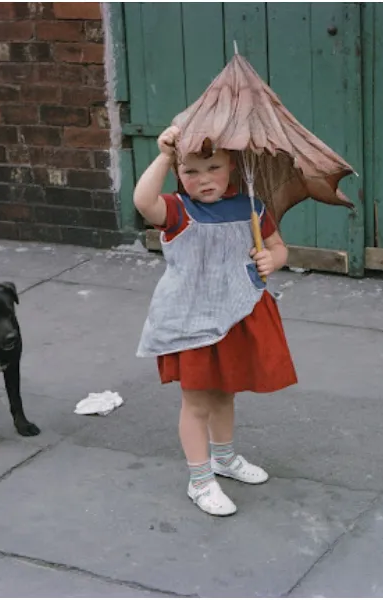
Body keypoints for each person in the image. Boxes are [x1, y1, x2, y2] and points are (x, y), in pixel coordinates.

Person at [134, 125, 297, 516]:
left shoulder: (252, 207)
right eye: (191, 172)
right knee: (197, 401)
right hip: (192, 319)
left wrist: (271, 259)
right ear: (178, 174)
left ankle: (224, 458)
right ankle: (200, 479)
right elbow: (143, 201)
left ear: (232, 166)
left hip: (236, 313)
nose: (204, 179)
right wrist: (164, 155)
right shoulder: (176, 210)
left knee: (226, 391)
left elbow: (279, 248)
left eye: (214, 167)